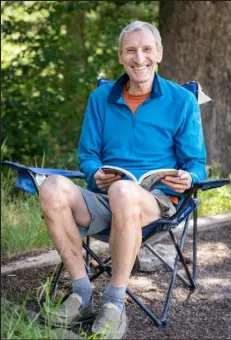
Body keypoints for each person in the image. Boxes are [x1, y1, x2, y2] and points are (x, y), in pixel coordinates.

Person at [39, 21, 206, 339]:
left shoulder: (181, 101)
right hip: (106, 196)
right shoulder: (100, 99)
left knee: (125, 193)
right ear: (120, 56)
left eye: (146, 49)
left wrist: (189, 177)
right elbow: (87, 155)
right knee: (51, 187)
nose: (138, 57)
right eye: (131, 50)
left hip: (154, 201)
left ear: (159, 53)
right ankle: (82, 295)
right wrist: (94, 173)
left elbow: (196, 164)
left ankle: (114, 304)